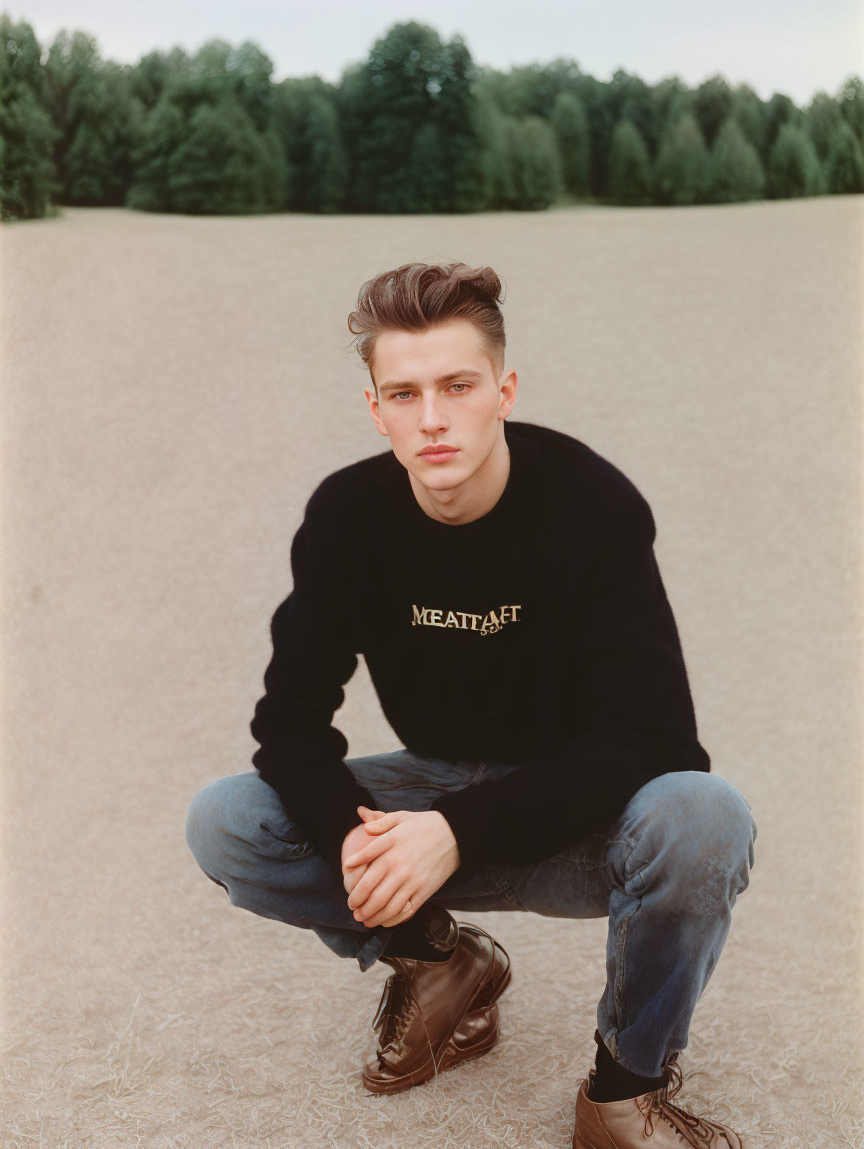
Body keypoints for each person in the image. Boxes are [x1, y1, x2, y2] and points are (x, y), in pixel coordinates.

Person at [186, 261, 757, 1148]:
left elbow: (653, 735)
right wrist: (361, 840)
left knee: (704, 815)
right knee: (228, 821)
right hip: (436, 792)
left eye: (458, 385)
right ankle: (439, 961)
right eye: (404, 394)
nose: (433, 419)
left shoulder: (592, 506)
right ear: (375, 408)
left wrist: (457, 830)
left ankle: (621, 1093)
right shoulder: (346, 516)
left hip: (585, 816)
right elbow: (289, 723)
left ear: (505, 390)